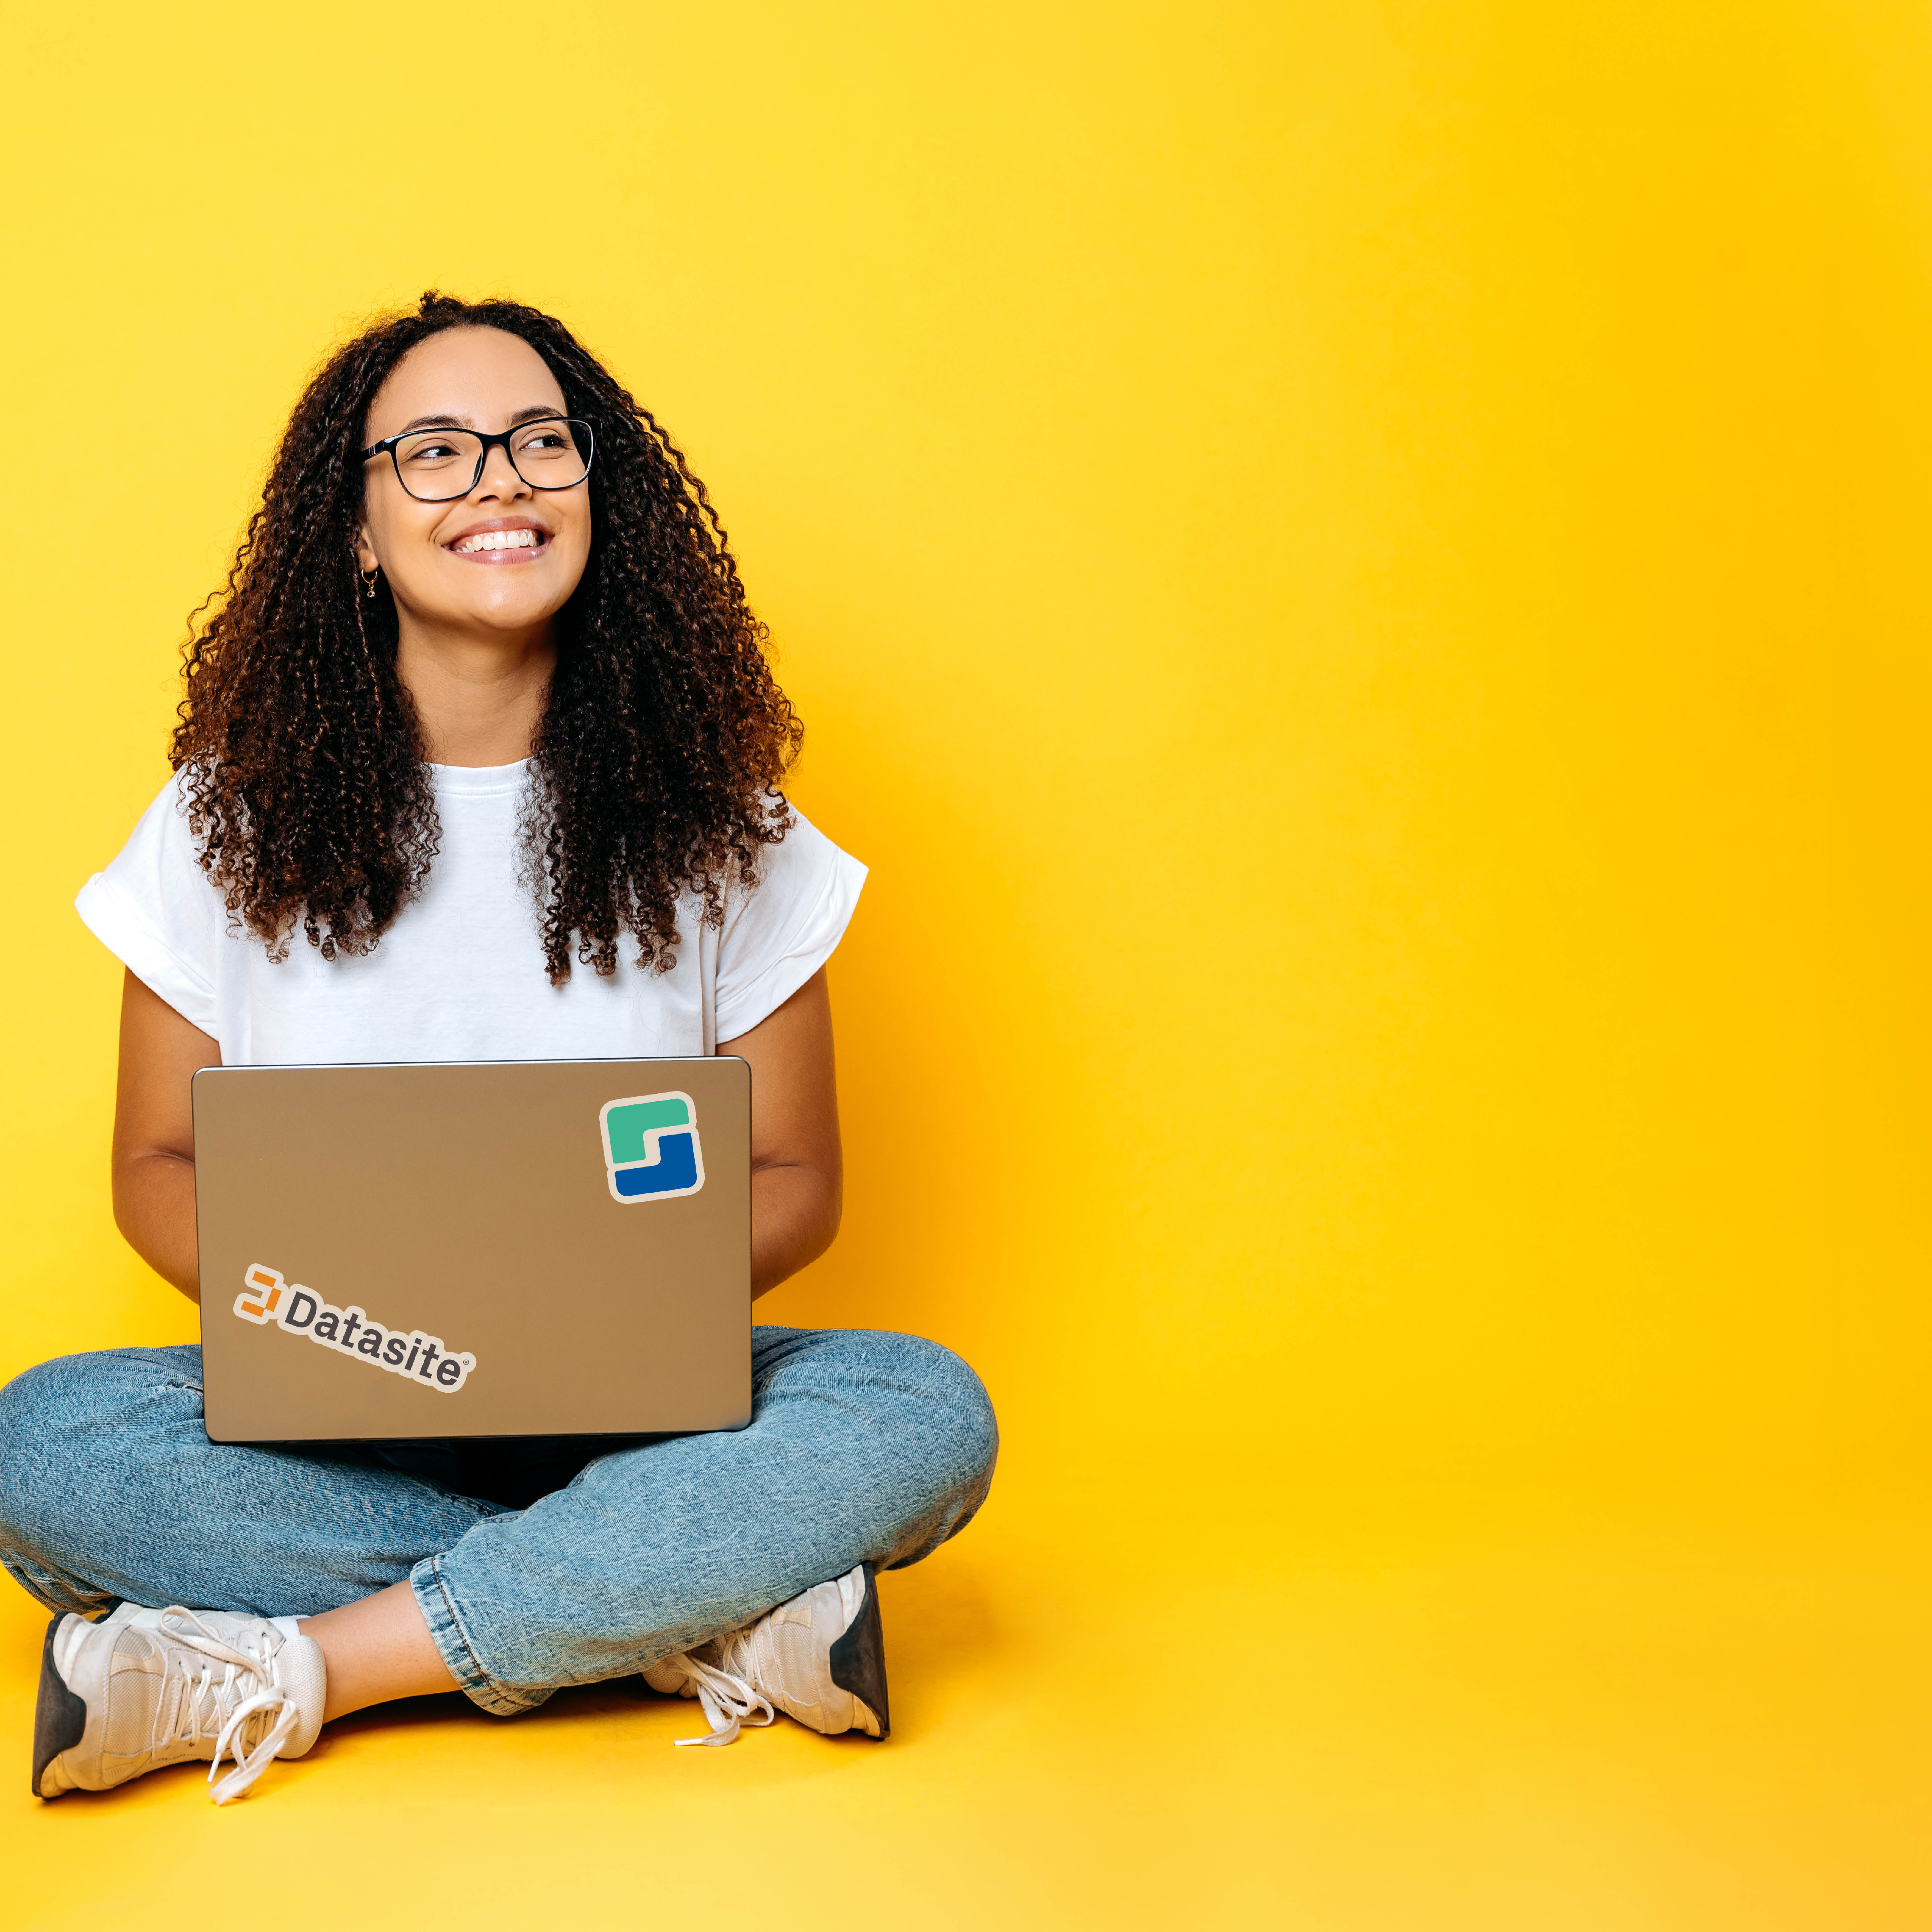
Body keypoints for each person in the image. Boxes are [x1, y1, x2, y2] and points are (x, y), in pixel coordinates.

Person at [0, 293, 997, 1804]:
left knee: (922, 1410)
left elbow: (796, 1177)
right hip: (336, 1417)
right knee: (42, 1444)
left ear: (602, 491)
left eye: (541, 442)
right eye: (437, 451)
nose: (501, 483)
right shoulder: (222, 823)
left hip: (643, 1418)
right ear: (356, 527)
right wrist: (352, 1321)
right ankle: (685, 1611)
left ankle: (305, 1667)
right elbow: (157, 1162)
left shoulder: (729, 827)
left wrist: (595, 1296)